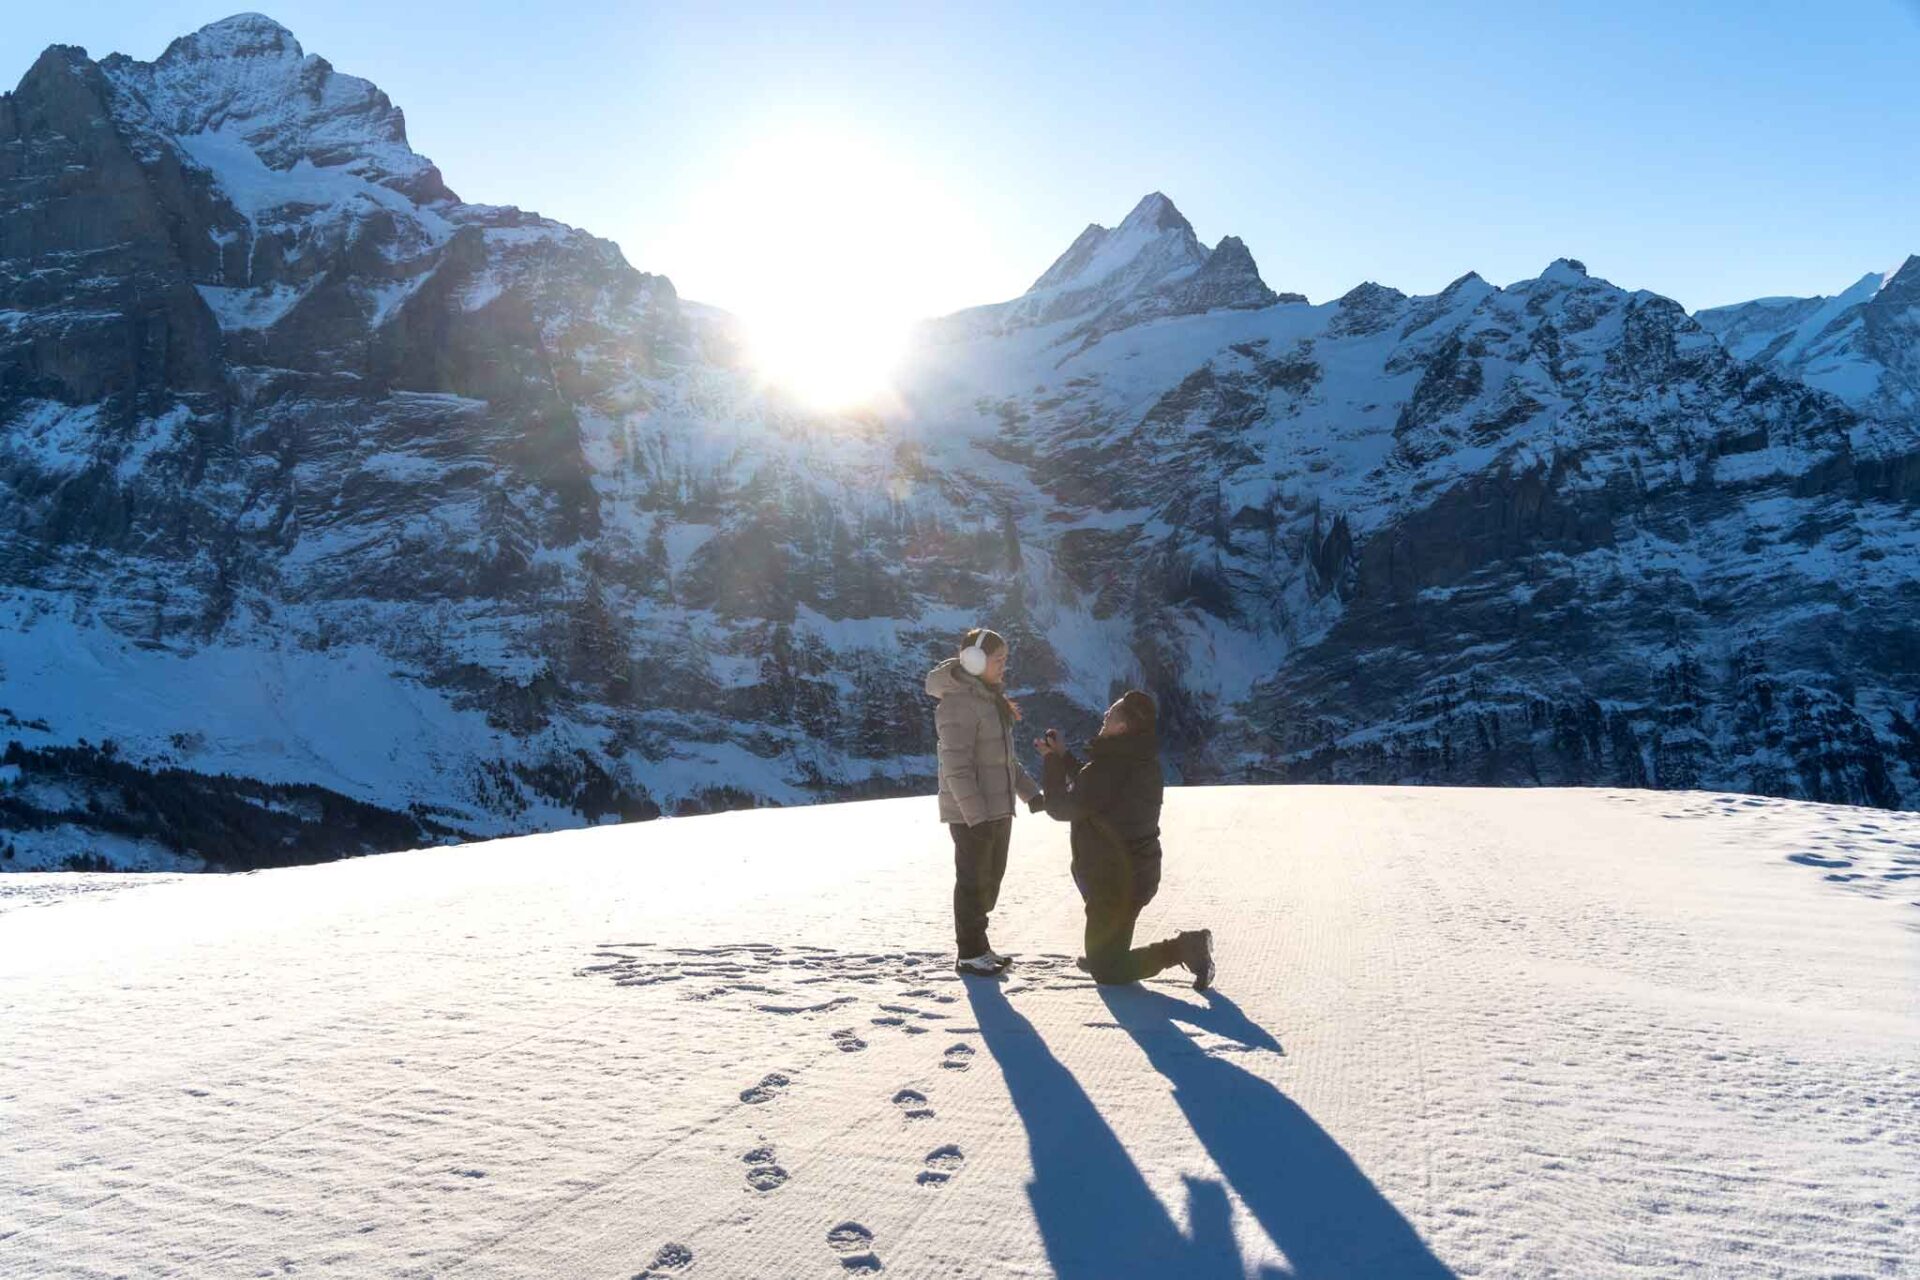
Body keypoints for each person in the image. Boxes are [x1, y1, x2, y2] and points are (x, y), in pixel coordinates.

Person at [1034, 690, 1214, 990]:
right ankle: (1106, 952)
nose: (1105, 715)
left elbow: (1060, 807)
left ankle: (1184, 948)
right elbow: (1096, 788)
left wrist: (1052, 761)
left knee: (1107, 970)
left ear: (1122, 727)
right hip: (1134, 873)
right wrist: (1064, 758)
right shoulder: (1135, 757)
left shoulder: (1111, 765)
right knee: (1107, 950)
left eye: (1112, 713)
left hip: (1115, 880)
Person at [926, 627, 1041, 975]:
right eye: (998, 660)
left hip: (997, 809)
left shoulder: (987, 698)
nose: (1004, 666)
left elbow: (1002, 760)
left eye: (1005, 659)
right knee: (974, 881)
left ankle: (980, 947)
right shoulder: (957, 703)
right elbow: (956, 767)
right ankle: (970, 953)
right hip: (972, 814)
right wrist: (976, 817)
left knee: (990, 881)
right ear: (975, 661)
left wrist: (1030, 792)